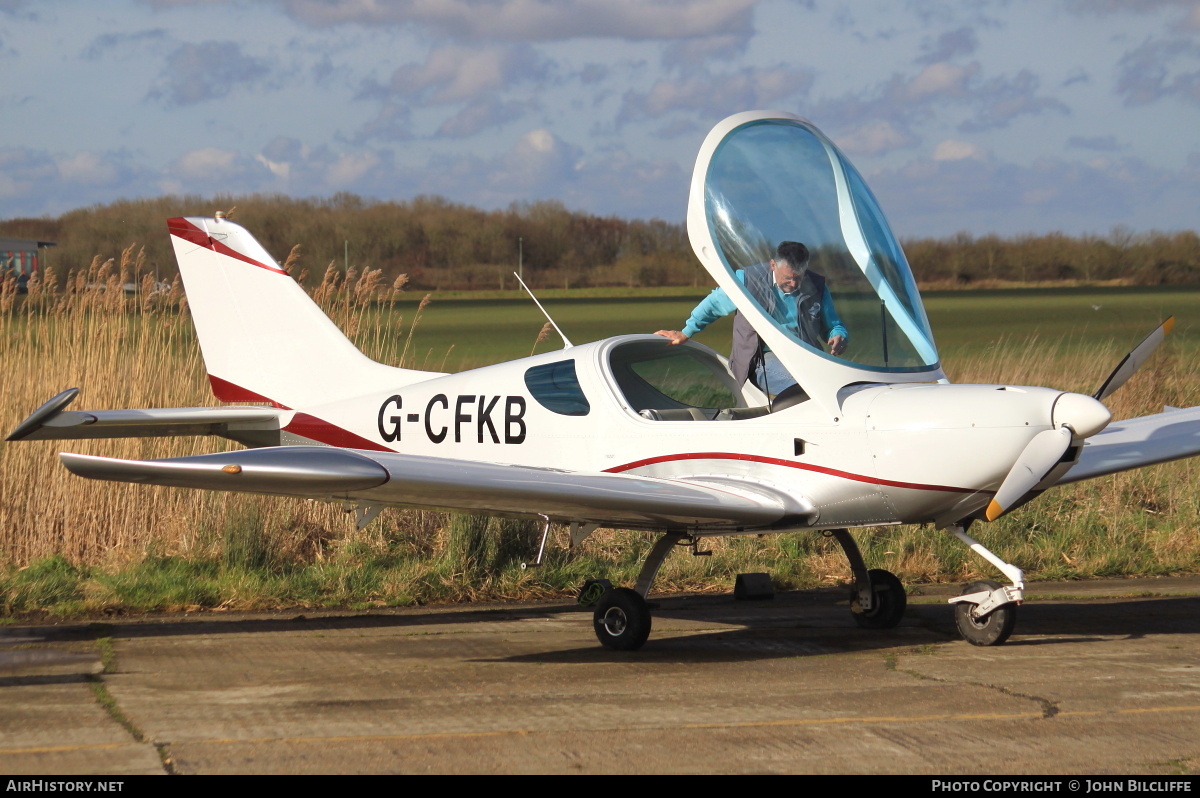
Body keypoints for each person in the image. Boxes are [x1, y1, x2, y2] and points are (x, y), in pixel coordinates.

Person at [655, 241, 847, 394]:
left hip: (807, 356)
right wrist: (686, 331)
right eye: (788, 277)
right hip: (761, 359)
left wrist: (839, 335)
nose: (794, 283)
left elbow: (833, 325)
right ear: (773, 265)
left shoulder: (817, 285)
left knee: (843, 387)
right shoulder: (747, 280)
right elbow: (713, 304)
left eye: (799, 277)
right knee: (811, 388)